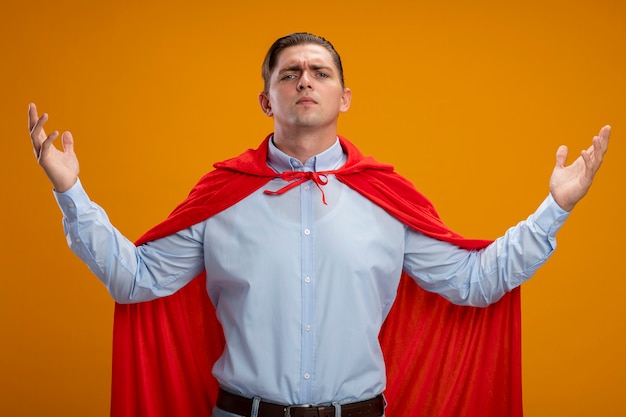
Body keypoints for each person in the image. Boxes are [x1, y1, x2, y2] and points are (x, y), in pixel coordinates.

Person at [29, 32, 610, 417]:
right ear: (266, 99)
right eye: (289, 74)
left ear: (344, 95)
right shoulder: (221, 197)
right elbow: (136, 280)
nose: (305, 81)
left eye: (319, 72)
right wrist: (69, 189)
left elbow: (476, 281)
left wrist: (555, 207)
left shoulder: (387, 197)